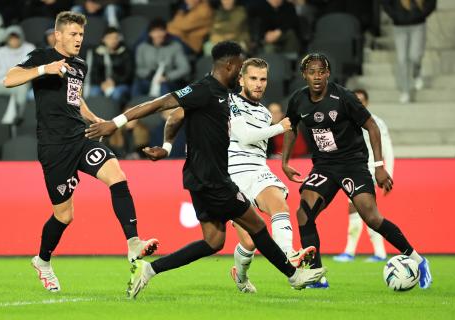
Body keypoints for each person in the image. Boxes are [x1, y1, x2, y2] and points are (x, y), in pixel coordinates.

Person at [85, 41, 326, 298]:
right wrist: (116, 122)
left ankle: (149, 270)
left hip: (198, 178)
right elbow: (161, 104)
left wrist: (167, 147)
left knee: (213, 241)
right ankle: (294, 274)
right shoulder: (205, 90)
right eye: (240, 69)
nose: (242, 75)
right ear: (231, 66)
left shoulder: (219, 93)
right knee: (256, 226)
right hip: (214, 179)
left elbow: (176, 117)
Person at [3, 11, 158, 293]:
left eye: (81, 35)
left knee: (117, 175)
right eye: (73, 34)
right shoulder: (42, 57)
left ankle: (133, 243)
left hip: (80, 138)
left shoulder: (79, 65)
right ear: (58, 35)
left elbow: (76, 97)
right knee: (64, 216)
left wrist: (94, 118)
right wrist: (43, 70)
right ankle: (43, 260)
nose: (78, 39)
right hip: (54, 148)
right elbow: (9, 79)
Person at [159, 58, 317, 293]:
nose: (258, 84)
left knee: (279, 204)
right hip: (230, 175)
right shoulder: (228, 101)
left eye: (263, 79)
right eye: (253, 78)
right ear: (241, 79)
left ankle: (289, 254)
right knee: (250, 242)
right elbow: (244, 136)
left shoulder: (264, 112)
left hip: (258, 171)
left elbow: (259, 146)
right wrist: (280, 127)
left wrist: (282, 161)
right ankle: (240, 276)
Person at [282, 52, 432, 289]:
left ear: (328, 73)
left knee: (371, 218)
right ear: (304, 75)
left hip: (353, 164)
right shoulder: (298, 100)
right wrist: (285, 161)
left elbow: (372, 126)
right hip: (324, 166)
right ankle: (316, 275)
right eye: (311, 72)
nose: (317, 76)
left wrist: (379, 166)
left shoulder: (343, 97)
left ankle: (418, 260)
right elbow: (291, 126)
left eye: (321, 71)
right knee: (303, 214)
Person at [333, 88, 394, 263]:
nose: (358, 103)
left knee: (363, 211)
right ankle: (370, 252)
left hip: (370, 170)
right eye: (355, 100)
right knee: (362, 211)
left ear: (366, 103)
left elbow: (388, 149)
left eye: (361, 100)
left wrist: (387, 172)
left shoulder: (376, 122)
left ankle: (358, 252)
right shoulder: (345, 120)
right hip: (354, 170)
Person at [381, 0, 437, 103]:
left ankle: (417, 72)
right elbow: (385, 3)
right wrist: (395, 15)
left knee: (415, 56)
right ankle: (405, 91)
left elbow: (431, 3)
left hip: (418, 24)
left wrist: (421, 14)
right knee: (401, 60)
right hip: (399, 26)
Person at [131, 18, 190, 98]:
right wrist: (150, 74)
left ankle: (165, 109)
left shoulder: (175, 46)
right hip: (149, 79)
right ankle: (133, 107)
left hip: (168, 81)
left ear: (165, 32)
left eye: (161, 30)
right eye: (154, 31)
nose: (158, 34)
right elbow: (139, 69)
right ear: (150, 33)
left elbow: (184, 68)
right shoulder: (142, 47)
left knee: (164, 86)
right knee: (137, 84)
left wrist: (167, 77)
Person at [89, 26, 133, 106]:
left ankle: (113, 115)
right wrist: (102, 83)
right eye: (109, 38)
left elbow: (128, 74)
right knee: (93, 93)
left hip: (119, 84)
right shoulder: (98, 52)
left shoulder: (125, 52)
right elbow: (94, 73)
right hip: (101, 84)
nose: (113, 41)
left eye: (115, 38)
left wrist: (114, 81)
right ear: (103, 39)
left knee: (116, 94)